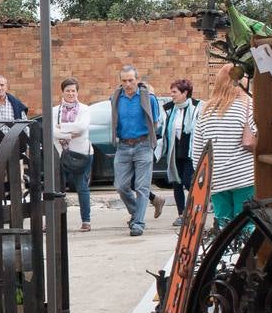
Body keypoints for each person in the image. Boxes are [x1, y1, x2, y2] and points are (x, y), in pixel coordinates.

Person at [191, 63, 256, 228]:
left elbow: (198, 149)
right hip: (244, 176)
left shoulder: (205, 109)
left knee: (223, 224)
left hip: (216, 178)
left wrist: (204, 177)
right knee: (246, 222)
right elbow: (253, 139)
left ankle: (226, 252)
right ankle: (245, 253)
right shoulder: (248, 104)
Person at [108, 65, 163, 236]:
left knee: (142, 186)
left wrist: (148, 139)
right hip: (124, 145)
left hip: (143, 144)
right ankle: (137, 211)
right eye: (124, 81)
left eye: (131, 80)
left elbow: (155, 122)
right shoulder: (116, 98)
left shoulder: (149, 98)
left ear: (137, 80)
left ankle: (138, 222)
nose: (128, 84)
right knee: (120, 185)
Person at [52, 77, 93, 231]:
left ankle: (86, 220)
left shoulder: (84, 109)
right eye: (67, 90)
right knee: (58, 188)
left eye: (73, 91)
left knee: (81, 187)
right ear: (62, 92)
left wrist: (62, 128)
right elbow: (53, 132)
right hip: (60, 153)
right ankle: (55, 219)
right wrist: (70, 133)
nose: (70, 93)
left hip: (81, 153)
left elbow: (82, 127)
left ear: (77, 92)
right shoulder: (55, 111)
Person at [161, 78, 201, 226]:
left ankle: (193, 212)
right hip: (174, 152)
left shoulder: (197, 107)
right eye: (171, 91)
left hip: (190, 151)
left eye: (175, 92)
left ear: (185, 93)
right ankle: (181, 214)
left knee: (188, 182)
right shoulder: (170, 108)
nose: (172, 95)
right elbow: (164, 128)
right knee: (176, 183)